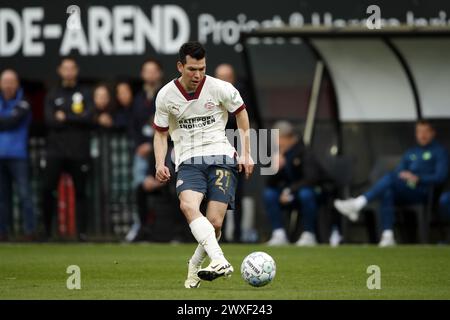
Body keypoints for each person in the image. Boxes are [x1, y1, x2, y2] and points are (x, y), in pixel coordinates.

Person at [152, 41, 254, 288]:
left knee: (215, 223)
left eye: (202, 68)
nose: (198, 75)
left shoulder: (220, 88)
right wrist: (159, 163)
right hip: (188, 160)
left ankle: (194, 265)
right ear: (180, 66)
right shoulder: (166, 95)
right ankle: (219, 259)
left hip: (220, 156)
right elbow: (160, 134)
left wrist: (246, 153)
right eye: (192, 69)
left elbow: (241, 113)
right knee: (188, 206)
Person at [334, 120, 449, 247]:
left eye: (425, 131)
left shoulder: (440, 152)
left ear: (433, 133)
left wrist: (418, 178)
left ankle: (358, 203)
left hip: (424, 192)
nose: (422, 135)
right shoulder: (411, 152)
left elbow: (440, 177)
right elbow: (399, 171)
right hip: (406, 189)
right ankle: (388, 236)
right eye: (419, 131)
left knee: (390, 179)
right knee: (388, 190)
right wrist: (404, 176)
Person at [42, 57, 94, 241]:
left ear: (76, 70)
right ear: (60, 70)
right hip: (55, 151)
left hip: (79, 151)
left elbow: (89, 117)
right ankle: (47, 232)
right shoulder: (52, 93)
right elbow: (49, 121)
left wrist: (65, 117)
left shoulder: (85, 92)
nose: (69, 71)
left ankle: (81, 233)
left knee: (81, 192)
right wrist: (74, 118)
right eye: (66, 68)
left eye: (72, 68)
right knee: (48, 189)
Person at [263, 121, 335, 246]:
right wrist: (276, 169)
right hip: (287, 193)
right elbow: (270, 183)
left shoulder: (304, 151)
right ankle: (278, 233)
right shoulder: (279, 153)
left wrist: (289, 191)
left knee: (305, 194)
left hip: (308, 192)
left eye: (277, 139)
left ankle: (309, 234)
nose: (276, 143)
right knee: (269, 194)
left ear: (287, 137)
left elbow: (311, 178)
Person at [125, 59, 163, 242]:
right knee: (138, 188)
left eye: (153, 71)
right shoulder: (138, 98)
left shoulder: (166, 95)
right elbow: (132, 125)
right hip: (141, 152)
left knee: (164, 190)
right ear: (142, 74)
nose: (150, 75)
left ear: (159, 74)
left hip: (162, 150)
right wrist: (139, 145)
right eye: (146, 71)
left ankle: (161, 230)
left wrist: (151, 143)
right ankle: (139, 227)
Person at [0, 69, 36, 241]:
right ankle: (3, 232)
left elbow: (12, 121)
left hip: (18, 155)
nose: (7, 85)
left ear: (17, 84)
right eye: (5, 81)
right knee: (2, 197)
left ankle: (30, 231)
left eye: (10, 81)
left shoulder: (24, 102)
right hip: (0, 156)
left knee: (24, 194)